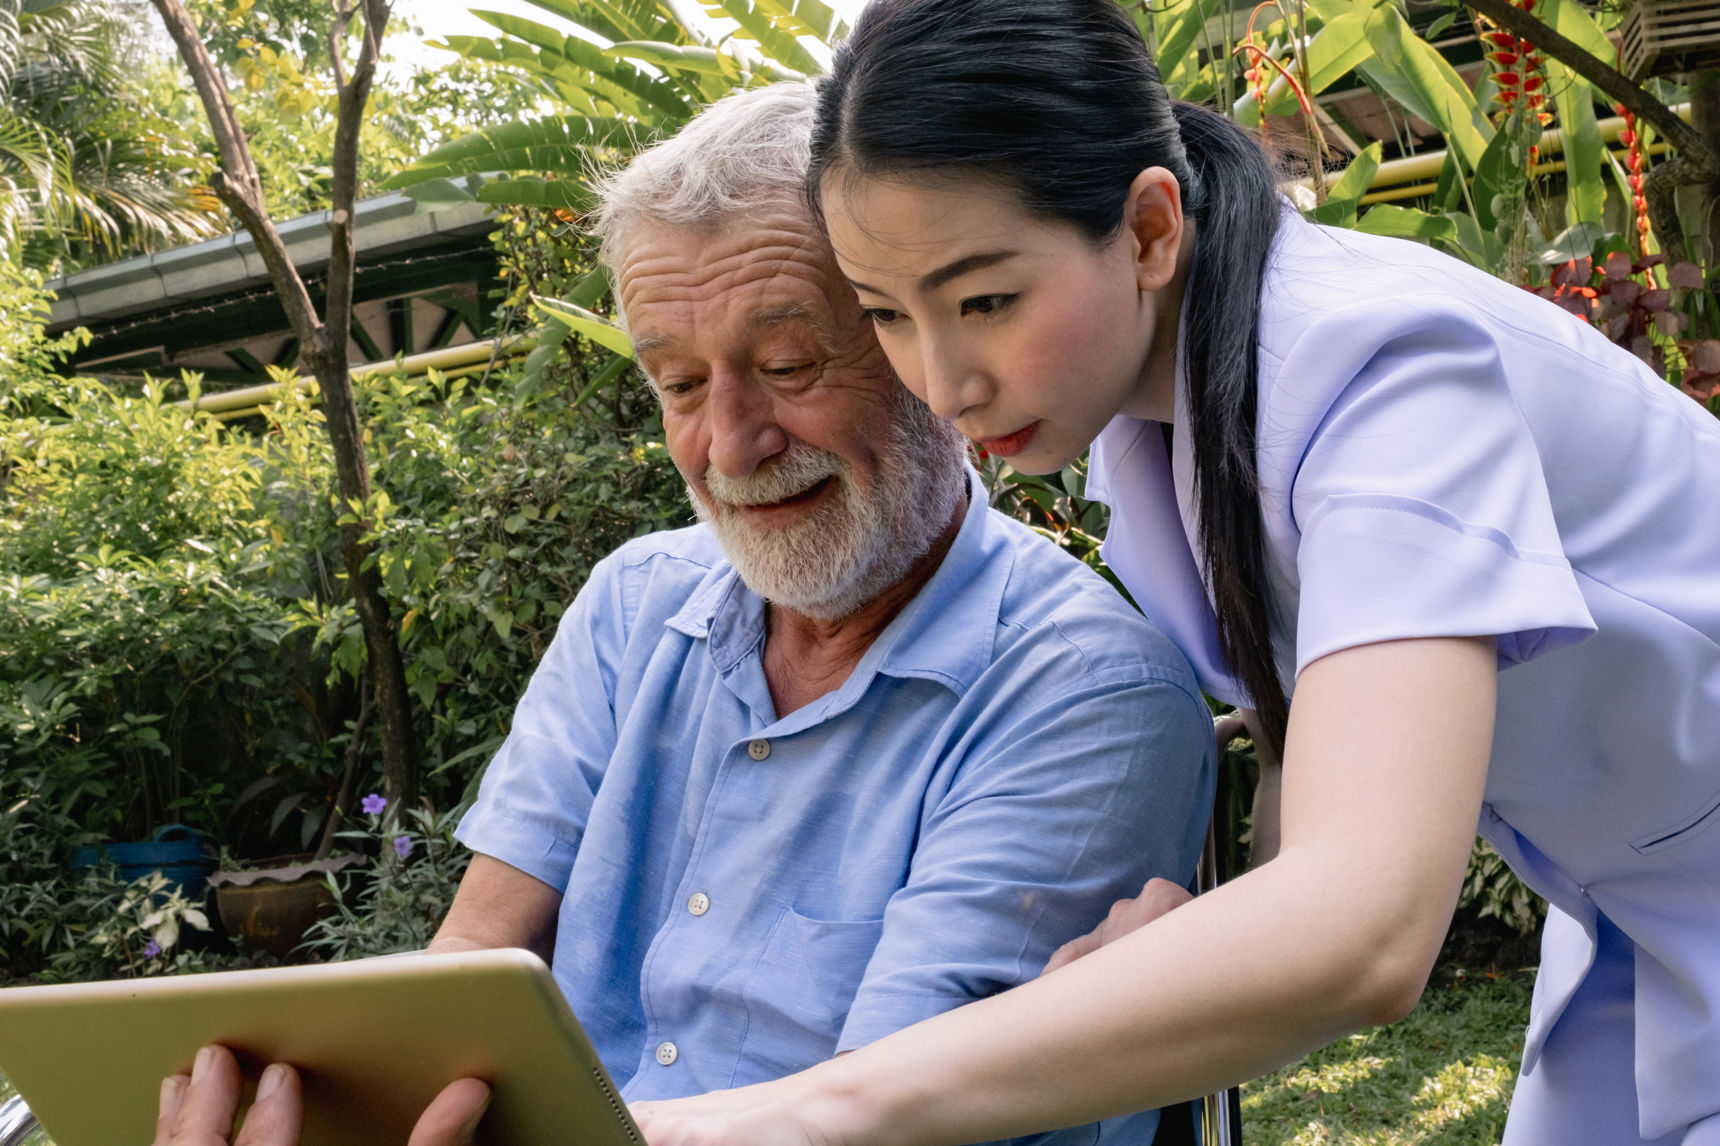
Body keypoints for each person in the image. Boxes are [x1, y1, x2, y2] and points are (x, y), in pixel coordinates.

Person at [608, 2, 1720, 1144]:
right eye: (889, 314)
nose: (943, 384)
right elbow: (1307, 760)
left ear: (1147, 228)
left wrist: (799, 1112)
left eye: (986, 301)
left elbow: (1365, 929)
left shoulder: (1381, 382)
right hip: (1632, 925)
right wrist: (1211, 942)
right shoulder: (1164, 410)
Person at [151, 81, 1218, 1146]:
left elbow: (878, 1120)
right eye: (677, 383)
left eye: (789, 366)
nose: (729, 445)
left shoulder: (1087, 693)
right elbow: (472, 965)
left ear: (918, 344)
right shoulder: (634, 606)